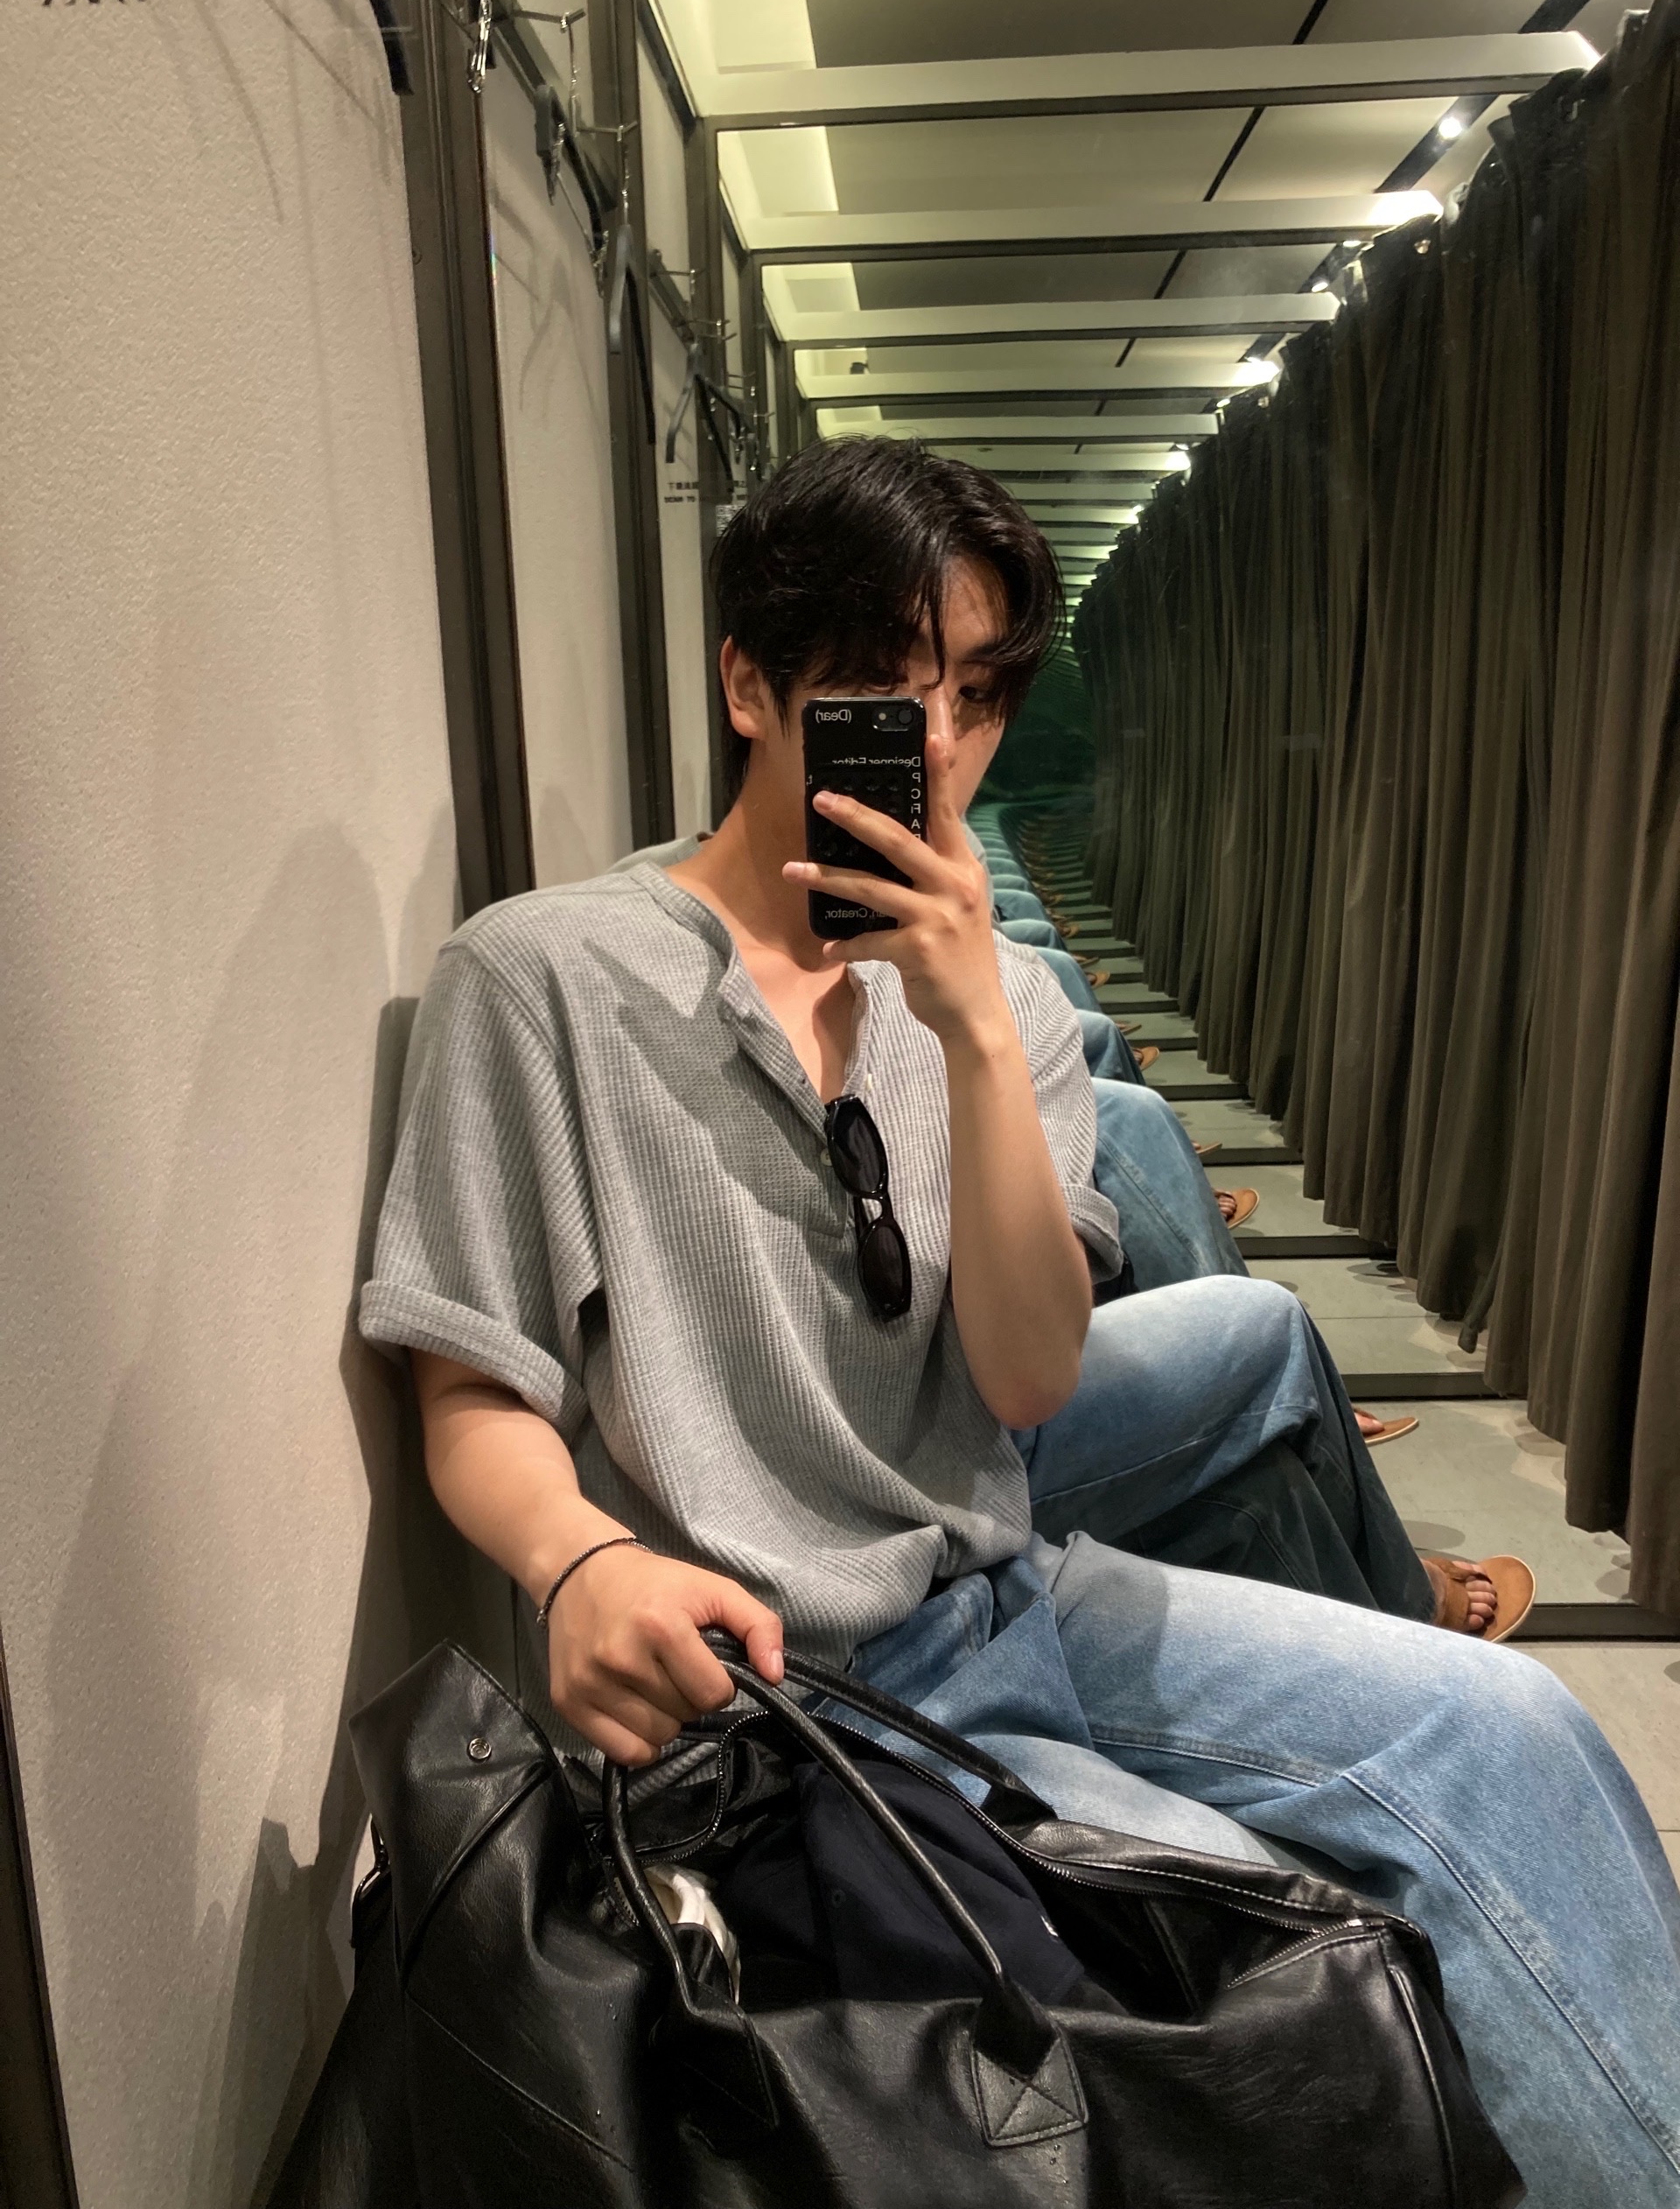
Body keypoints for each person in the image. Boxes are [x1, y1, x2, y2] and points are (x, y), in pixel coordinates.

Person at [361, 438, 1680, 2205]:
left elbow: (1030, 1371)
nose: (939, 743)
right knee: (1277, 1981)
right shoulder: (540, 976)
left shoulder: (1003, 1001)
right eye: (882, 687)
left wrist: (976, 1030)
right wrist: (582, 1560)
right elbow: (469, 1383)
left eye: (977, 694)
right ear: (751, 685)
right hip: (788, 1704)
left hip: (1009, 1600)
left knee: (1515, 1735)